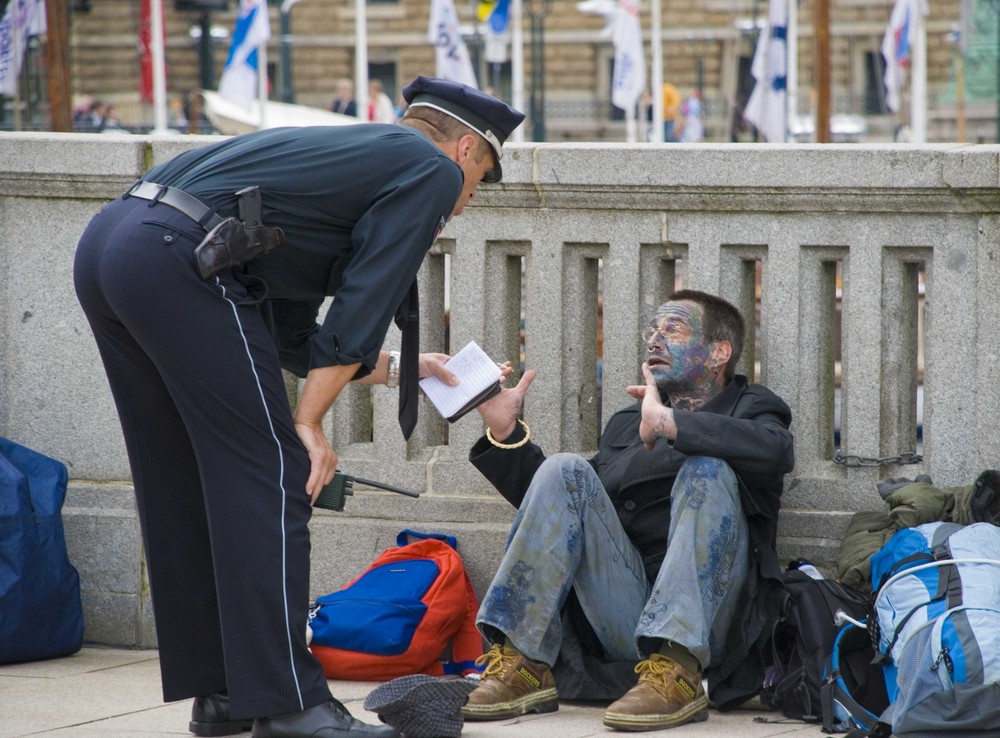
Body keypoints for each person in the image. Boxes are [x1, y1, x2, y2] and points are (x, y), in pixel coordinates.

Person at [73, 76, 524, 738]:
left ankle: (226, 690)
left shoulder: (341, 162)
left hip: (116, 244)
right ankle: (291, 706)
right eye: (481, 176)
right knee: (273, 470)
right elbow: (362, 306)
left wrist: (401, 368)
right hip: (179, 255)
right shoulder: (426, 168)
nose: (469, 200)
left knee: (188, 477)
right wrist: (306, 424)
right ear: (461, 149)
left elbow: (286, 333)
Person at [460, 290, 794, 731]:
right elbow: (564, 510)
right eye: (651, 331)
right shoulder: (626, 422)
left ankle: (678, 669)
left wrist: (670, 425)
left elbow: (775, 452)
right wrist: (505, 431)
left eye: (672, 329)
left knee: (708, 469)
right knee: (565, 470)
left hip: (710, 620)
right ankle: (523, 664)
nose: (654, 340)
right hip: (625, 611)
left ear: (718, 352)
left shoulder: (753, 407)